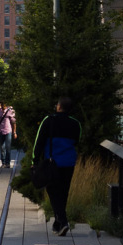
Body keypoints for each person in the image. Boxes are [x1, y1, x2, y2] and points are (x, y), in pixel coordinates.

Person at [33, 97, 82, 236]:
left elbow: (39, 141)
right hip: (69, 162)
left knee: (53, 192)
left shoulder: (48, 120)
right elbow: (78, 141)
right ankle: (57, 224)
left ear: (59, 107)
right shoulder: (75, 123)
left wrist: (34, 161)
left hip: (52, 162)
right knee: (63, 192)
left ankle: (63, 221)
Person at [0, 100, 17, 168]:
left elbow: (14, 122)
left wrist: (14, 132)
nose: (3, 105)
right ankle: (3, 162)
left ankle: (8, 163)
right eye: (2, 103)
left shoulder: (10, 111)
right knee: (2, 148)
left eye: (4, 103)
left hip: (8, 131)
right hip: (0, 131)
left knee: (8, 147)